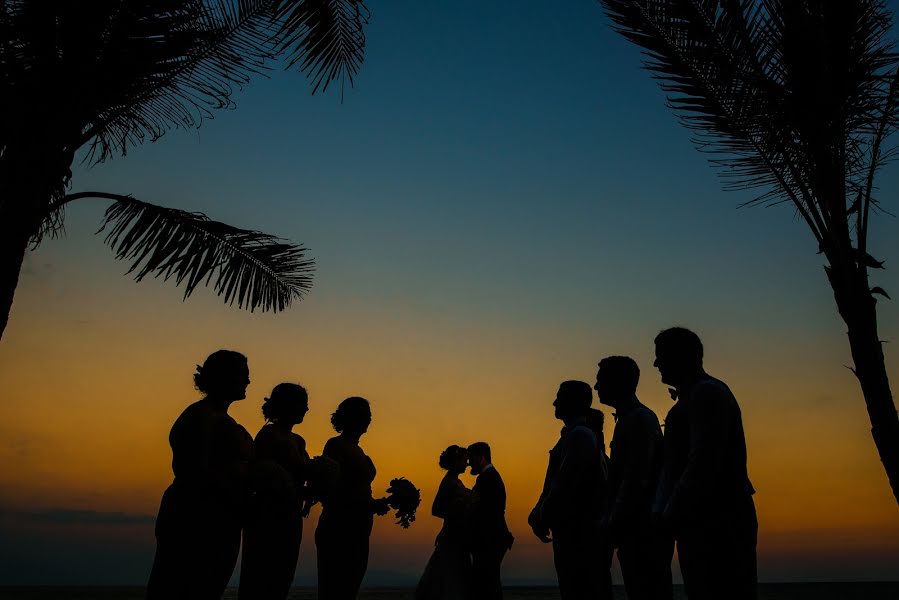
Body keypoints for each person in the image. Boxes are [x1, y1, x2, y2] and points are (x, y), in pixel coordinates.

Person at [652, 327, 757, 599]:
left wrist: (670, 513)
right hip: (701, 517)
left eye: (661, 356)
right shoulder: (695, 397)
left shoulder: (707, 393)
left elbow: (703, 461)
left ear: (682, 356)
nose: (656, 363)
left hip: (717, 518)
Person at [146, 350, 254, 600]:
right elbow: (194, 470)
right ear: (223, 377)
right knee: (182, 586)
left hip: (224, 516)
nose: (248, 381)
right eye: (243, 375)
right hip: (197, 515)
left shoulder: (221, 418)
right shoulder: (200, 416)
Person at [595, 356, 672, 600]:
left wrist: (613, 520)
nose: (596, 387)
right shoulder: (631, 419)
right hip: (634, 529)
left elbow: (636, 479)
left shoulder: (638, 419)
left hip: (641, 531)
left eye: (601, 380)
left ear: (617, 382)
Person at [528, 381, 612, 600]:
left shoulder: (580, 436)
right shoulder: (574, 436)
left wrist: (542, 515)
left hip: (579, 533)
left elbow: (564, 485)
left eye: (560, 397)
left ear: (574, 403)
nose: (554, 402)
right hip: (573, 531)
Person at [239, 383, 311, 600]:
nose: (306, 410)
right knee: (261, 576)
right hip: (268, 515)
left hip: (292, 516)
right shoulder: (269, 435)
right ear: (289, 405)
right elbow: (258, 474)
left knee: (283, 576)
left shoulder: (299, 441)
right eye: (303, 404)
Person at [315, 397, 390, 600]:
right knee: (334, 589)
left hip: (360, 526)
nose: (368, 420)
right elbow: (333, 490)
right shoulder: (335, 445)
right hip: (339, 526)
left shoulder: (358, 450)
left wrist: (376, 504)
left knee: (349, 588)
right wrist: (369, 504)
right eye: (364, 415)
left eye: (369, 415)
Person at [414, 445, 473, 600]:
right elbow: (436, 509)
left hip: (457, 535)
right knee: (448, 577)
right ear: (456, 462)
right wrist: (456, 510)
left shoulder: (454, 481)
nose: (467, 464)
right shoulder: (449, 482)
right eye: (464, 460)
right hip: (452, 536)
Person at [467, 442, 514, 600]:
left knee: (488, 584)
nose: (469, 464)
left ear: (481, 458)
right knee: (489, 583)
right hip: (492, 538)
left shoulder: (488, 478)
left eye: (471, 459)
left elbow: (483, 512)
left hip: (490, 539)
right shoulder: (489, 477)